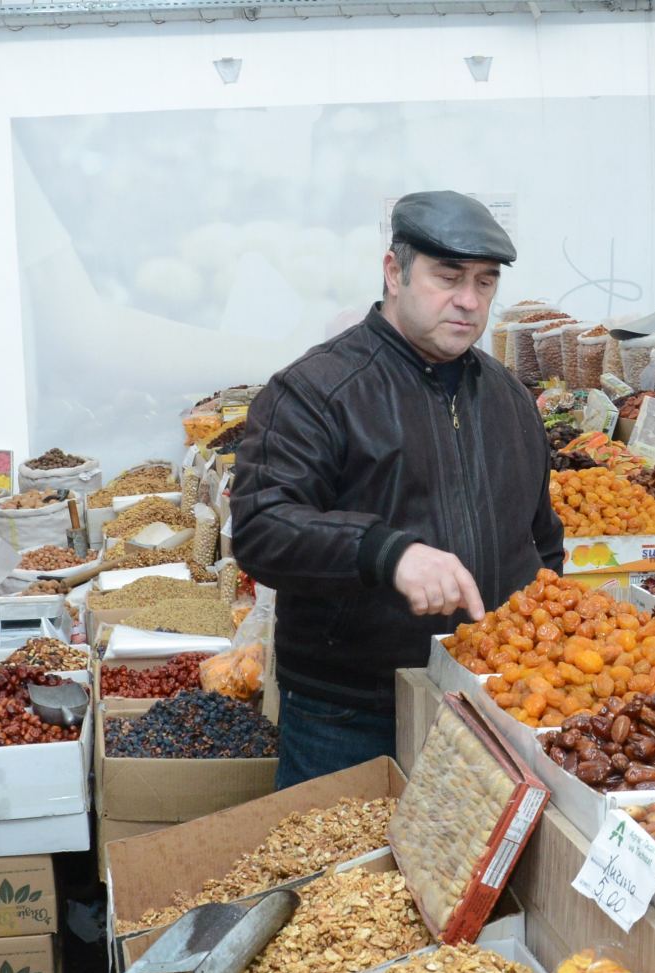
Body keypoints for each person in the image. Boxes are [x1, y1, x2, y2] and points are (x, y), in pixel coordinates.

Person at [231, 190, 565, 789]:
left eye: (485, 283)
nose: (468, 301)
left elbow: (541, 542)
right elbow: (262, 528)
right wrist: (388, 553)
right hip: (350, 715)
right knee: (335, 878)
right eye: (448, 277)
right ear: (394, 271)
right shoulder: (316, 391)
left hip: (490, 712)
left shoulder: (510, 398)